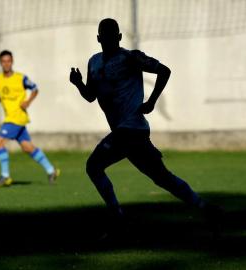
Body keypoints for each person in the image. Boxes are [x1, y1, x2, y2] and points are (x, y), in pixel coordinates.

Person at [69, 18, 222, 231]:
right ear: (98, 38)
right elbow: (90, 96)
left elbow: (164, 71)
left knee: (94, 166)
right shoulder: (94, 62)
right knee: (162, 178)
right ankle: (204, 206)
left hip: (130, 129)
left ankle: (117, 218)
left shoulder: (131, 58)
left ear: (119, 37)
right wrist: (78, 84)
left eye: (112, 35)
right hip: (130, 133)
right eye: (104, 36)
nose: (108, 39)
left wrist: (151, 101)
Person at [0, 50, 60, 187]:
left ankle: (5, 176)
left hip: (16, 118)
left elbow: (35, 88)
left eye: (9, 61)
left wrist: (28, 102)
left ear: (12, 62)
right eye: (4, 61)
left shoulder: (21, 78)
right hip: (12, 118)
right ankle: (51, 170)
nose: (6, 64)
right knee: (27, 147)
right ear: (0, 63)